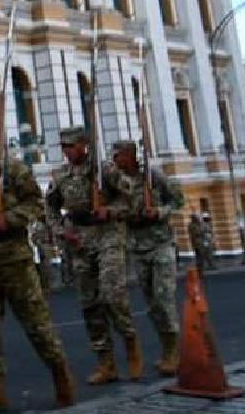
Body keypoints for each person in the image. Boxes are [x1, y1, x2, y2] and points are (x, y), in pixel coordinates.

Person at [0, 120, 75, 409]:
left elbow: (36, 204)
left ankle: (60, 374)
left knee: (36, 323)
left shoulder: (13, 170)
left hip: (15, 255)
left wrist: (9, 219)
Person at [46, 127, 141, 385]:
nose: (67, 151)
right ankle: (105, 361)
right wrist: (61, 232)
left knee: (111, 294)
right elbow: (50, 207)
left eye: (71, 145)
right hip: (80, 240)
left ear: (84, 145)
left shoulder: (103, 171)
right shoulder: (61, 175)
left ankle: (130, 342)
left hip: (108, 235)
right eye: (64, 146)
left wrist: (109, 211)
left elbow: (131, 198)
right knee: (89, 304)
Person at [114, 140, 184, 376]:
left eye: (119, 156)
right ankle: (166, 348)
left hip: (160, 244)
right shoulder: (118, 183)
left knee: (164, 299)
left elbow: (177, 201)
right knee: (153, 304)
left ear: (131, 156)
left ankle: (175, 350)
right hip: (138, 247)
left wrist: (159, 212)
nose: (116, 160)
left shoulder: (152, 177)